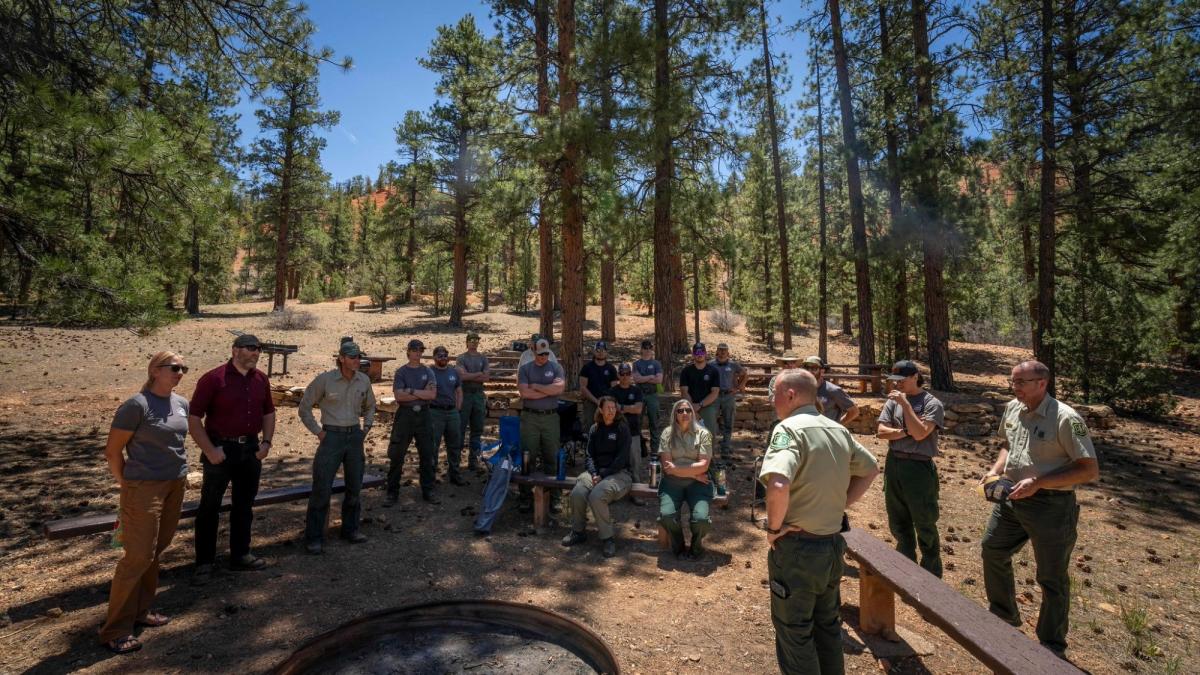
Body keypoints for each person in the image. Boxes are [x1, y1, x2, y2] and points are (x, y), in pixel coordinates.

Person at [759, 369, 880, 675]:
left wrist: (774, 529)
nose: (772, 401)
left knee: (795, 631)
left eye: (775, 395)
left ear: (790, 395)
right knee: (827, 625)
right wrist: (840, 504)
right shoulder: (837, 430)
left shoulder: (788, 430)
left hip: (798, 550)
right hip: (831, 547)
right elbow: (870, 469)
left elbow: (778, 484)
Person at [980, 360, 1099, 657]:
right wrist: (995, 470)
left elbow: (1088, 469)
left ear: (1042, 383)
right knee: (993, 550)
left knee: (1051, 575)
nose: (1014, 387)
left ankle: (1051, 644)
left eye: (1021, 382)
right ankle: (1003, 616)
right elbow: (1008, 444)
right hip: (1012, 498)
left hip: (1051, 506)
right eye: (1013, 381)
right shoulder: (1013, 408)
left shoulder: (1065, 418)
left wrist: (1039, 482)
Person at [98, 351, 191, 654]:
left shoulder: (181, 403)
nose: (180, 372)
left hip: (175, 484)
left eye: (183, 368)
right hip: (143, 489)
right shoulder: (136, 406)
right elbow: (113, 451)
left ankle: (142, 611)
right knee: (137, 556)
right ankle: (116, 629)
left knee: (155, 551)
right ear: (154, 370)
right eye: (174, 367)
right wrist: (127, 484)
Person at [188, 334, 275, 584]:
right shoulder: (213, 379)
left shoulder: (261, 379)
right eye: (250, 348)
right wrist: (209, 450)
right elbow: (194, 418)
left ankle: (240, 555)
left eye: (259, 349)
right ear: (235, 350)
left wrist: (266, 443)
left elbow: (268, 412)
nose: (256, 353)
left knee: (244, 505)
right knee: (209, 507)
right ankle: (204, 563)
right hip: (220, 450)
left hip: (250, 450)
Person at [297, 341, 376, 555]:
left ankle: (351, 530)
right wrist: (319, 432)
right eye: (352, 357)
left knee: (354, 487)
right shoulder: (325, 380)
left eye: (358, 357)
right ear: (341, 358)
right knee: (322, 488)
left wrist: (366, 427)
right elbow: (304, 408)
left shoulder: (363, 380)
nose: (357, 360)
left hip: (355, 437)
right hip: (331, 437)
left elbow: (371, 406)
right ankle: (314, 538)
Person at [876, 359, 946, 577]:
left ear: (915, 377)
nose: (897, 384)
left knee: (924, 521)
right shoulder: (892, 402)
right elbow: (881, 432)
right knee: (898, 519)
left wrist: (906, 407)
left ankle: (931, 573)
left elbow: (921, 434)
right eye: (895, 380)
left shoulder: (931, 403)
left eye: (902, 380)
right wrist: (906, 431)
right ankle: (905, 569)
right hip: (894, 462)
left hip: (919, 467)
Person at [562, 396, 632, 558]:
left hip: (619, 474)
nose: (611, 411)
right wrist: (594, 473)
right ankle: (578, 531)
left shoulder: (622, 428)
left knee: (597, 496)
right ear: (600, 409)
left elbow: (621, 459)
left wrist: (602, 475)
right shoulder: (595, 428)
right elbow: (589, 455)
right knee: (578, 492)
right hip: (596, 473)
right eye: (608, 408)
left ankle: (608, 538)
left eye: (614, 408)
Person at [658, 398, 715, 559]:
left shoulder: (704, 434)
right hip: (673, 483)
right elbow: (667, 468)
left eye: (688, 410)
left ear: (693, 413)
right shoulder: (667, 433)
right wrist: (694, 473)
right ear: (675, 414)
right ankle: (679, 547)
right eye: (680, 410)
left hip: (698, 484)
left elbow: (704, 465)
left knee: (701, 520)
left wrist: (678, 469)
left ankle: (696, 548)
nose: (685, 413)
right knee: (667, 516)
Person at [386, 339, 438, 504]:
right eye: (414, 350)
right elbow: (399, 396)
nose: (417, 353)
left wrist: (410, 390)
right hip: (405, 415)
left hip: (424, 415)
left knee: (427, 454)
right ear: (408, 351)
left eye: (420, 350)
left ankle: (428, 491)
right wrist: (421, 393)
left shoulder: (428, 371)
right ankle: (392, 492)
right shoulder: (401, 372)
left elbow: (432, 395)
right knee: (397, 455)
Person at [517, 338, 566, 512]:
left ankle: (555, 497)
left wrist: (537, 386)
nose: (543, 357)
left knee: (552, 457)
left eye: (545, 353)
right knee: (527, 457)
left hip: (550, 418)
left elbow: (559, 389)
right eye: (540, 354)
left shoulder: (556, 368)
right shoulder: (525, 369)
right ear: (533, 351)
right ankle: (525, 497)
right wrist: (548, 391)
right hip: (530, 417)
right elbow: (524, 393)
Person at [429, 345, 467, 486]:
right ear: (434, 357)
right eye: (440, 355)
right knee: (433, 445)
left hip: (452, 412)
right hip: (435, 412)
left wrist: (458, 408)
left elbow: (459, 390)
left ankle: (455, 474)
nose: (443, 358)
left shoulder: (453, 372)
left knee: (455, 444)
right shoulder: (429, 371)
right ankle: (430, 476)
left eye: (445, 355)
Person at [456, 332, 490, 471]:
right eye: (471, 340)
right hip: (465, 395)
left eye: (476, 340)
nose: (474, 342)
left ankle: (473, 460)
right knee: (460, 428)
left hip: (478, 395)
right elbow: (462, 377)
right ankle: (456, 460)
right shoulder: (462, 358)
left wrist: (471, 375)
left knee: (477, 429)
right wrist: (478, 374)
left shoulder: (483, 358)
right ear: (467, 342)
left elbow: (486, 378)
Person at [607, 363, 645, 483]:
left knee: (635, 462)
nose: (625, 376)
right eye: (622, 374)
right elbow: (611, 409)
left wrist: (622, 407)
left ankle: (637, 487)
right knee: (615, 461)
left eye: (627, 373)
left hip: (633, 431)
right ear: (618, 375)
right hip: (615, 431)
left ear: (631, 374)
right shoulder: (612, 391)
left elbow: (638, 409)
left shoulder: (636, 390)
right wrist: (630, 408)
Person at [802, 355, 860, 425]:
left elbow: (854, 411)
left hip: (826, 431)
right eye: (807, 368)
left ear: (822, 371)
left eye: (814, 368)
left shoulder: (833, 390)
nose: (809, 371)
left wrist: (837, 426)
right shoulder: (802, 390)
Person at [713, 343, 748, 459]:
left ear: (728, 352)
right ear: (717, 351)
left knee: (728, 423)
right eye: (720, 350)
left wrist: (739, 387)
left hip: (729, 396)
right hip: (714, 396)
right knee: (711, 423)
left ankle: (726, 448)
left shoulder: (733, 365)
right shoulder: (711, 364)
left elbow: (744, 374)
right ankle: (710, 449)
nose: (722, 352)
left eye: (724, 350)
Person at [679, 342, 721, 434]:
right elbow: (684, 391)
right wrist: (692, 407)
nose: (699, 355)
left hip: (707, 406)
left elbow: (715, 392)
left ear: (705, 353)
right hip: (690, 406)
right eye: (697, 352)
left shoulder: (713, 371)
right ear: (693, 354)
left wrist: (700, 405)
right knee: (689, 434)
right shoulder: (686, 371)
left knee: (709, 434)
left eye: (702, 352)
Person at [632, 340, 664, 456]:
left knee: (654, 422)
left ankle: (655, 450)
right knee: (637, 422)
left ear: (652, 349)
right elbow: (636, 379)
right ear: (641, 349)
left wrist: (644, 378)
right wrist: (651, 376)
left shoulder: (656, 364)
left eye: (649, 348)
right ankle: (639, 449)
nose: (647, 350)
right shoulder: (636, 364)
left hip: (652, 395)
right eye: (645, 348)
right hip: (639, 395)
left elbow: (659, 380)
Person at [579, 340, 618, 427]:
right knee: (589, 426)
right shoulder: (587, 368)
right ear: (594, 351)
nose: (601, 352)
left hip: (607, 402)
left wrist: (605, 401)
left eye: (603, 350)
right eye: (598, 350)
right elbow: (583, 387)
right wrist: (596, 401)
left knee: (607, 426)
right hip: (591, 401)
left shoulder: (611, 368)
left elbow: (614, 388)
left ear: (606, 352)